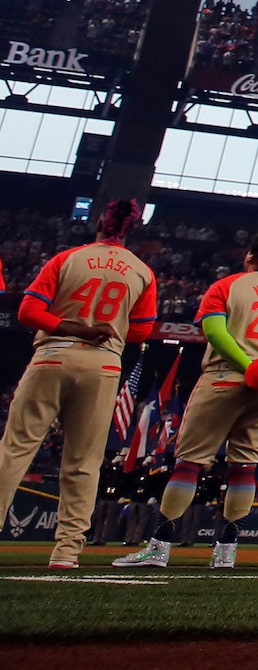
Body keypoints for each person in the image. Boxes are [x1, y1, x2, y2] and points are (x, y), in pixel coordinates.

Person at [116, 230, 258, 570]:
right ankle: (226, 551)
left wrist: (248, 365)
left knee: (189, 463)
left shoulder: (228, 285)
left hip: (225, 376)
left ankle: (159, 547)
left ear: (251, 254)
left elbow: (213, 332)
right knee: (244, 467)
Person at [0, 196, 156, 569]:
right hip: (104, 363)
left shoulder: (68, 258)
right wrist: (106, 329)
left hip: (54, 353)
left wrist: (74, 326)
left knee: (15, 449)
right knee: (84, 461)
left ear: (101, 222)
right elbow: (142, 330)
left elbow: (28, 311)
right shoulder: (142, 271)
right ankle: (67, 551)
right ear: (130, 229)